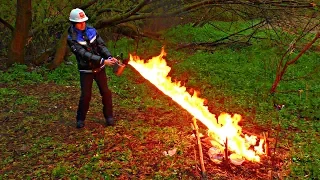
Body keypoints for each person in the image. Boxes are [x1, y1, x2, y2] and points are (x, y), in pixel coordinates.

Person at [67, 8, 118, 128]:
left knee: (106, 93)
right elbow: (83, 54)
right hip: (86, 71)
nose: (83, 24)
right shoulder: (72, 38)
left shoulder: (91, 30)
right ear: (74, 23)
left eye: (84, 21)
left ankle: (109, 117)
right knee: (86, 96)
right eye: (80, 22)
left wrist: (109, 57)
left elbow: (101, 45)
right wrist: (102, 60)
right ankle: (80, 119)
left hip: (99, 69)